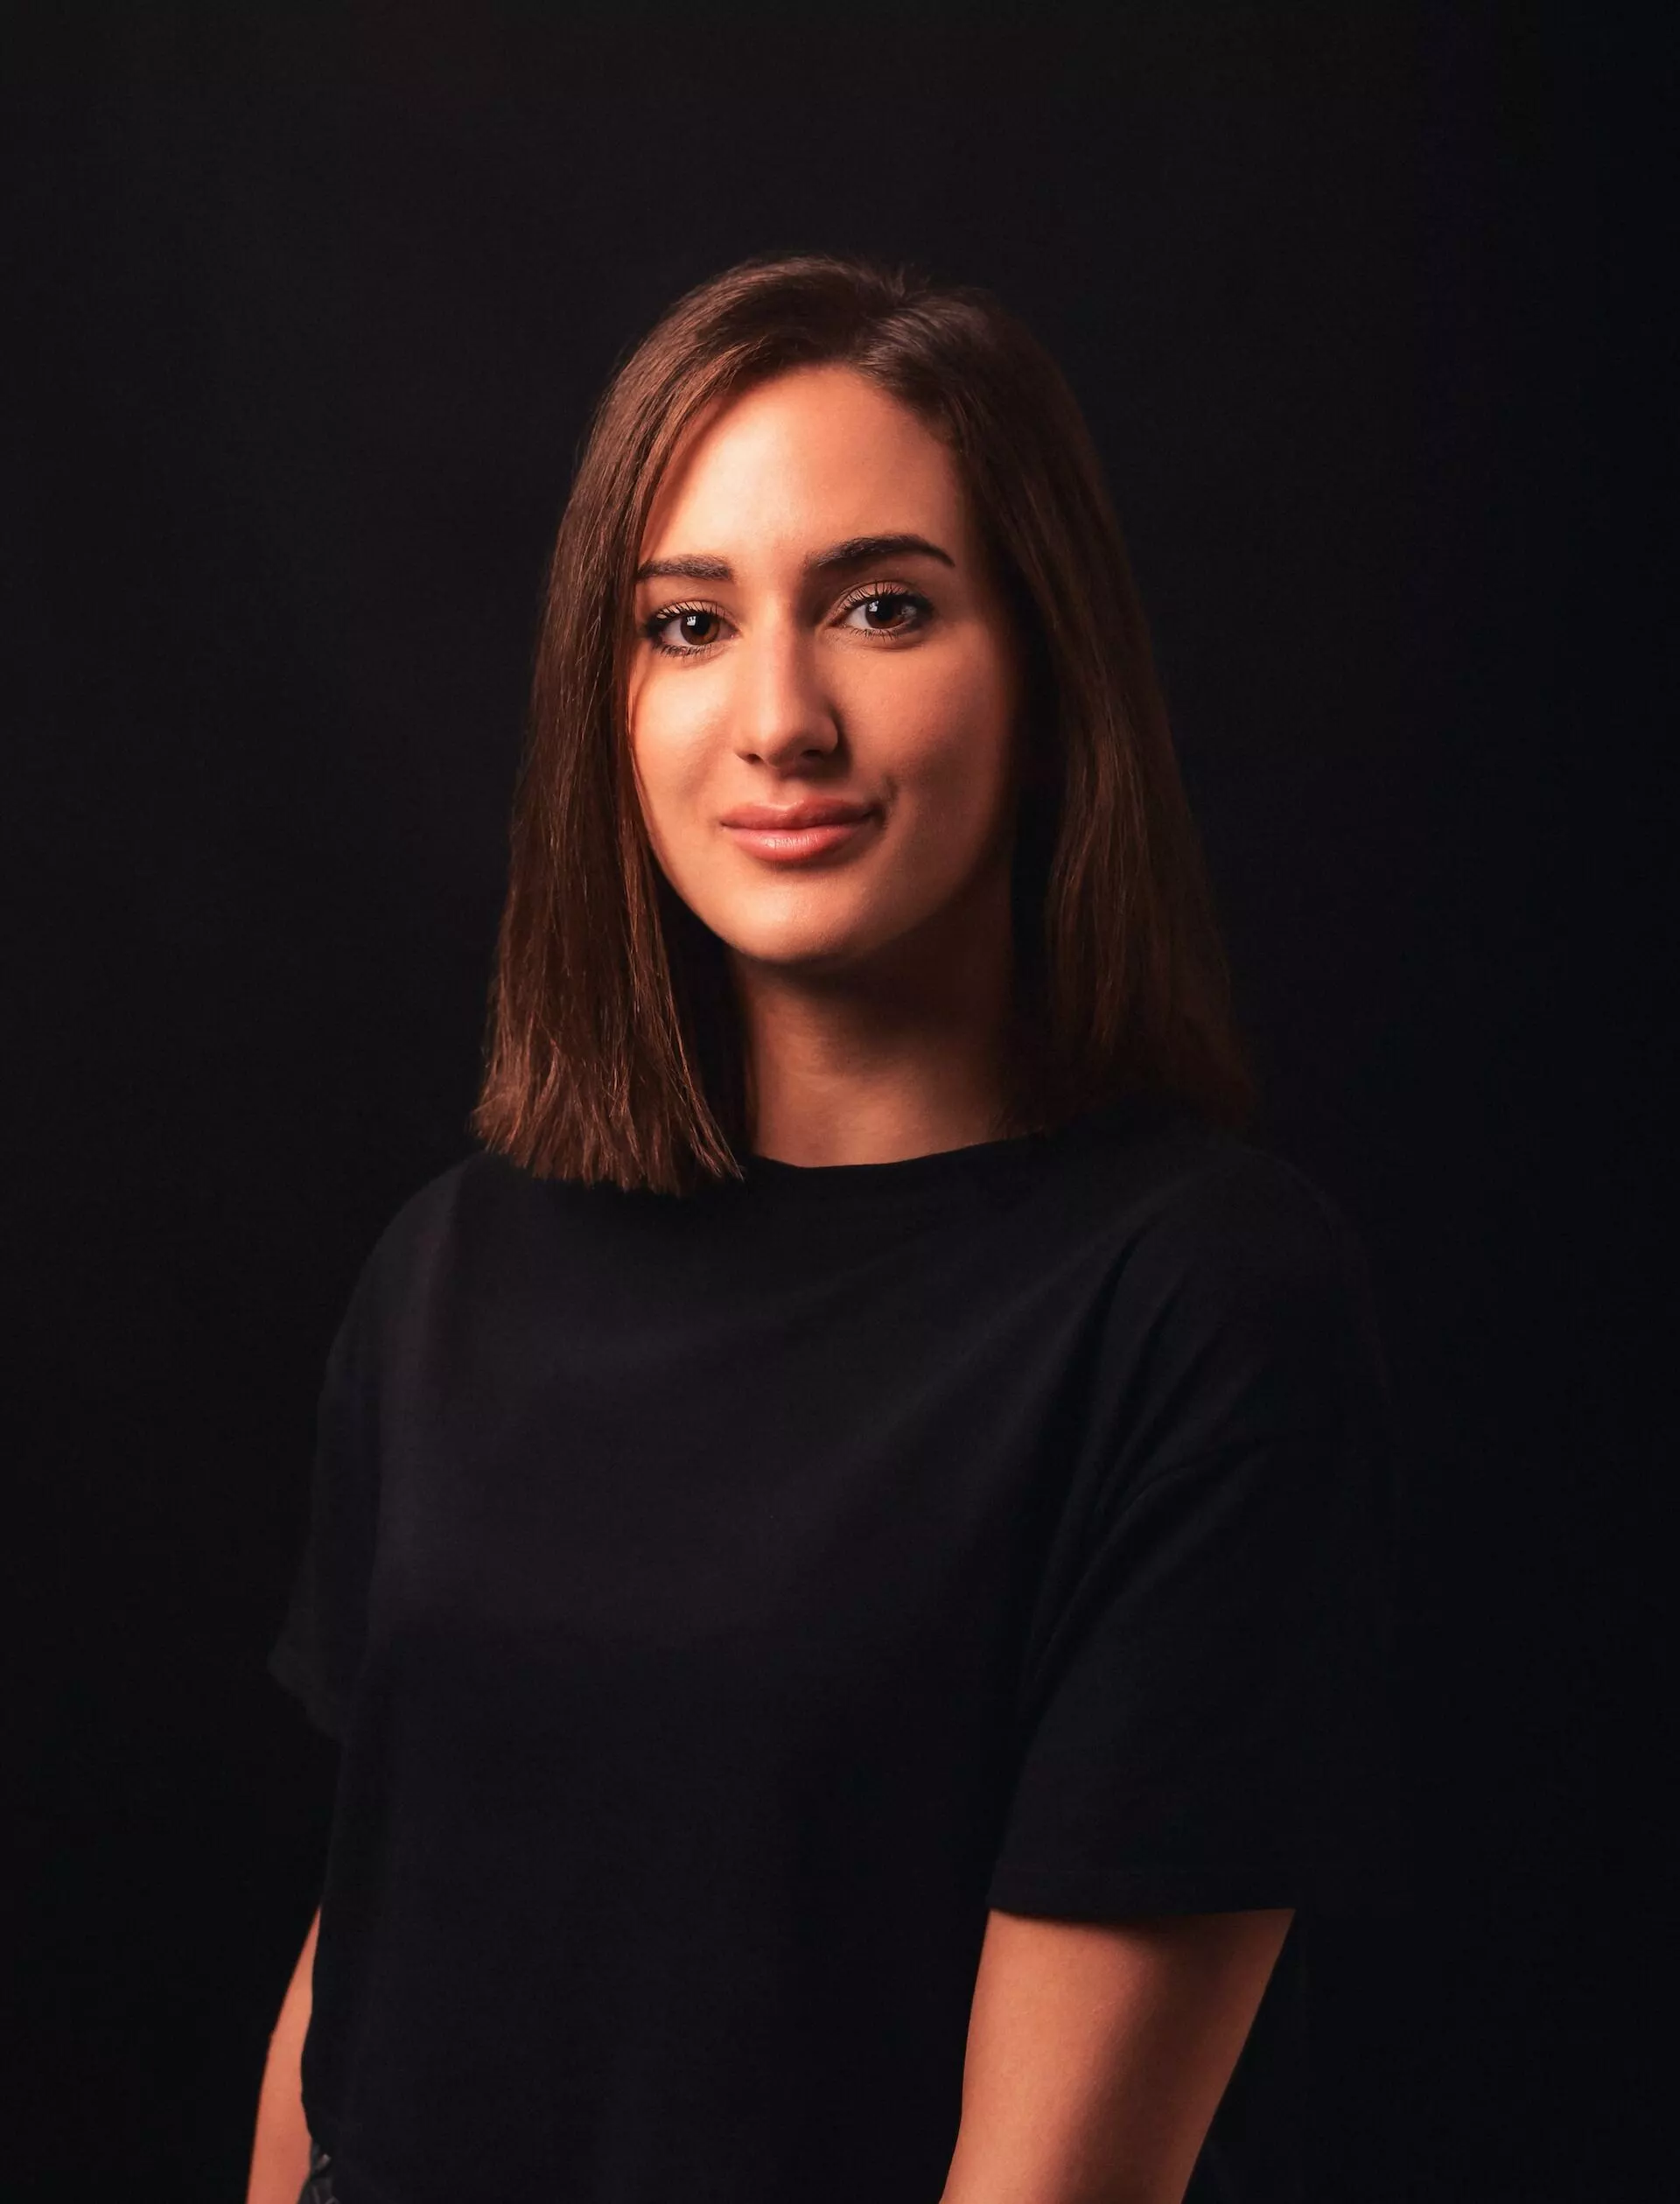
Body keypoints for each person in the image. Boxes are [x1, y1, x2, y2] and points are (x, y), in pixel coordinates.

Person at [248, 250, 1402, 2204]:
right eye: (687, 623)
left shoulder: (1201, 1306)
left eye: (882, 607)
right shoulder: (450, 1266)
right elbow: (353, 1975)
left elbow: (1059, 2182)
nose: (778, 715)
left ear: (1045, 673)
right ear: (606, 707)